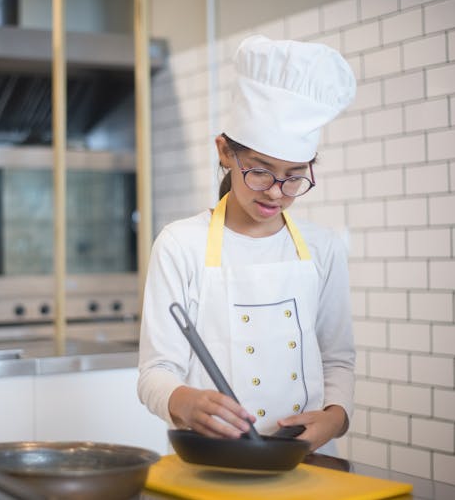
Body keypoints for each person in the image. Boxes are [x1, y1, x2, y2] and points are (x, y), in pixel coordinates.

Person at [137, 35, 357, 455]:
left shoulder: (323, 248)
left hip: (307, 462)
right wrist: (185, 402)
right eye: (260, 171)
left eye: (294, 176)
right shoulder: (180, 244)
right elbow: (154, 373)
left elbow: (338, 359)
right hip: (214, 461)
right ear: (224, 152)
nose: (276, 192)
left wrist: (334, 418)